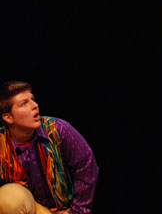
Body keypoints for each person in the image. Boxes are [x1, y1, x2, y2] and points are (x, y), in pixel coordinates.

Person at [0, 81, 98, 214]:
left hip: (66, 209)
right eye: (24, 103)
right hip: (33, 208)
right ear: (8, 117)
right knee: (8, 199)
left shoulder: (57, 129)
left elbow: (86, 166)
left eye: (33, 100)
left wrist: (77, 211)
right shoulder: (2, 142)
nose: (35, 106)